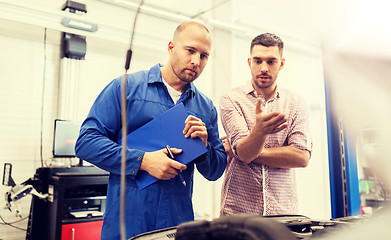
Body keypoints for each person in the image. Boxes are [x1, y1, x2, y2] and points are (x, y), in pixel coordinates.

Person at [75, 21, 227, 239]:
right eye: (190, 50)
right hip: (127, 223)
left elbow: (215, 171)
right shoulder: (126, 88)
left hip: (176, 225)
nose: (196, 61)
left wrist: (205, 148)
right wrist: (143, 161)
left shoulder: (205, 107)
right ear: (171, 47)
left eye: (204, 56)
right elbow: (86, 143)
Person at [219, 33, 312, 216]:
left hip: (284, 214)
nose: (264, 68)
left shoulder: (295, 103)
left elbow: (301, 157)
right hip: (237, 214)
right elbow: (244, 153)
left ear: (281, 64)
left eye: (271, 61)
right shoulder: (230, 99)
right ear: (249, 62)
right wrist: (259, 133)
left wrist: (246, 149)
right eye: (258, 60)